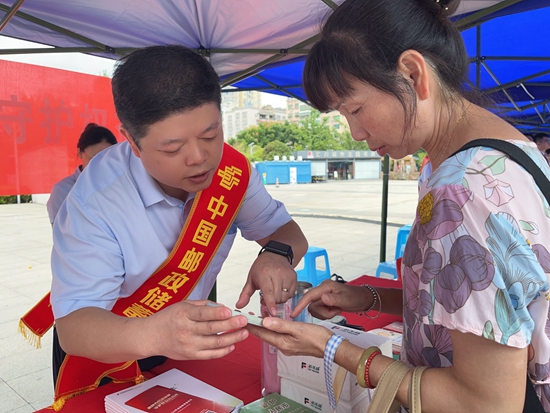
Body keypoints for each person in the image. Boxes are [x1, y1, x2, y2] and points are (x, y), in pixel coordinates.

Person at [248, 0, 550, 411]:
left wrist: (330, 345)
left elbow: (485, 403)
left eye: (355, 108)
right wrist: (367, 297)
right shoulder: (508, 150)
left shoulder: (463, 192)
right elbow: (476, 308)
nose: (355, 132)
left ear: (413, 73)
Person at [48, 45, 308, 405]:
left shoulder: (232, 172)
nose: (199, 158)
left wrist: (277, 254)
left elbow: (287, 233)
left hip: (184, 347)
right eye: (172, 148)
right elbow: (74, 327)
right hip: (103, 353)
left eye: (210, 134)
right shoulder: (96, 200)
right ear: (132, 143)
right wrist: (155, 334)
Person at [46, 123, 117, 224]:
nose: (99, 165)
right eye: (93, 159)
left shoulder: (121, 183)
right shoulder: (63, 190)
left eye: (106, 158)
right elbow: (60, 234)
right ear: (80, 153)